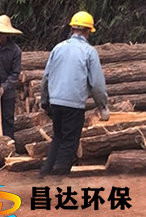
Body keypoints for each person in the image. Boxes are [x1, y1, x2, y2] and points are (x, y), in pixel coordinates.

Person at [39, 11, 110, 177]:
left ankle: (45, 173)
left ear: (72, 29)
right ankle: (57, 177)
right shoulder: (89, 52)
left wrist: (45, 100)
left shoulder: (58, 48)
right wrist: (103, 106)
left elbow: (45, 78)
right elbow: (97, 85)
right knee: (69, 141)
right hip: (74, 104)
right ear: (87, 31)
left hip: (55, 102)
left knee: (58, 137)